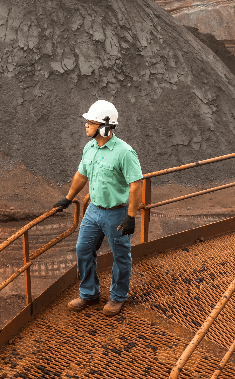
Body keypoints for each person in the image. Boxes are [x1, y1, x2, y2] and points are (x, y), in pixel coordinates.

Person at [53, 100, 143, 316]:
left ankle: (118, 297)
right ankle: (89, 294)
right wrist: (67, 198)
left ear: (104, 126)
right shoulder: (90, 148)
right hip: (93, 211)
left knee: (121, 256)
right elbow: (81, 175)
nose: (86, 125)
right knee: (83, 249)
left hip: (117, 213)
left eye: (90, 122)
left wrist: (130, 217)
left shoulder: (125, 152)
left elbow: (136, 184)